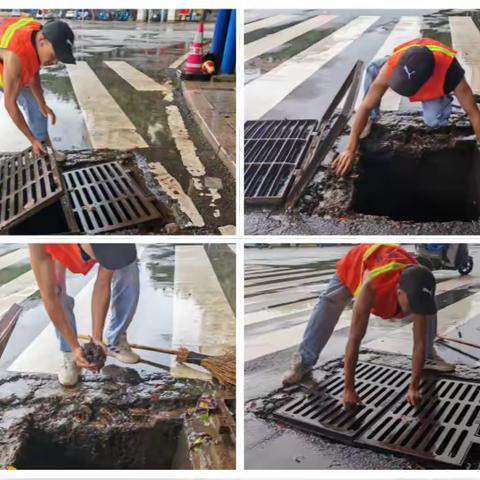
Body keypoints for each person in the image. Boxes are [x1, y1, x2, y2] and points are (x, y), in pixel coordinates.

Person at [283, 244, 455, 408]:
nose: (415, 312)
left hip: (395, 262)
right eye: (412, 305)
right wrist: (348, 388)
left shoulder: (419, 284)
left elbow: (419, 343)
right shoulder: (371, 286)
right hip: (357, 263)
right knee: (329, 303)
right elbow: (354, 339)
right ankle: (304, 362)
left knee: (428, 311)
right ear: (398, 291)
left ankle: (429, 356)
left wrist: (414, 386)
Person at [332, 38, 480, 176]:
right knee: (373, 68)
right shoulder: (391, 67)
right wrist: (350, 148)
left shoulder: (451, 72)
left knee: (435, 123)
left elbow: (473, 112)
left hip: (438, 77)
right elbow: (365, 106)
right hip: (406, 60)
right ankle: (371, 119)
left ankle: (441, 97)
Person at [29, 243, 141, 387]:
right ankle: (69, 354)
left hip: (97, 246)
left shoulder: (111, 248)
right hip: (60, 248)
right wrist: (75, 346)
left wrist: (97, 338)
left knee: (129, 273)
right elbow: (50, 296)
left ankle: (116, 340)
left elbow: (102, 284)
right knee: (58, 290)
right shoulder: (41, 245)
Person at [0, 17, 76, 158]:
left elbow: (33, 72)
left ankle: (43, 149)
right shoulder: (16, 57)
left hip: (10, 63)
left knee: (36, 105)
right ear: (42, 41)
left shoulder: (38, 32)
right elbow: (10, 105)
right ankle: (37, 143)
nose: (55, 62)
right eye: (54, 55)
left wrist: (42, 103)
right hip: (8, 63)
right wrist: (31, 139)